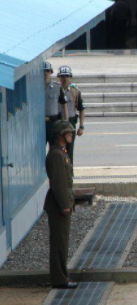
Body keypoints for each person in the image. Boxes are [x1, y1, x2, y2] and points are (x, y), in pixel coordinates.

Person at [44, 121, 78, 290]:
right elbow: (58, 183)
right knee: (59, 244)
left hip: (62, 203)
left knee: (62, 243)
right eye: (68, 133)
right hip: (59, 206)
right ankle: (59, 280)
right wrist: (65, 205)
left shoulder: (61, 152)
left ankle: (61, 277)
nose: (71, 135)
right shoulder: (56, 154)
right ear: (60, 135)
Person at [57, 66, 85, 165]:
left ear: (70, 77)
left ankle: (69, 171)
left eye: (67, 76)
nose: (65, 78)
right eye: (62, 76)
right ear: (58, 77)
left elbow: (81, 109)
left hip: (71, 122)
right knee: (57, 148)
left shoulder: (75, 91)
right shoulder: (56, 89)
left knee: (70, 148)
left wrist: (81, 127)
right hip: (58, 121)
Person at [44, 62, 68, 146]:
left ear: (51, 72)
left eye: (47, 71)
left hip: (53, 122)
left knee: (54, 147)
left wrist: (66, 122)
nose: (45, 73)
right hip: (39, 122)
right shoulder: (35, 87)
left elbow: (64, 104)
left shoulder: (57, 87)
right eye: (43, 71)